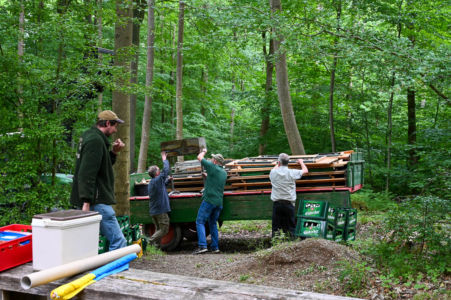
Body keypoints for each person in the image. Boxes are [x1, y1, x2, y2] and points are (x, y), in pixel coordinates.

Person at [70, 110, 127, 251]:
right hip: (96, 201)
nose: (115, 130)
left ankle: (97, 270)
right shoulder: (95, 141)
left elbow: (100, 167)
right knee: (119, 242)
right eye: (115, 126)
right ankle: (113, 273)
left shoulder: (90, 137)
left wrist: (114, 152)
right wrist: (86, 202)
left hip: (92, 200)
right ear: (107, 123)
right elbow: (87, 173)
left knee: (87, 244)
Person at [193, 148, 227, 254]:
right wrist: (207, 176)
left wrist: (203, 151)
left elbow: (199, 157)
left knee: (200, 221)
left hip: (209, 200)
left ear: (216, 161)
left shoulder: (213, 167)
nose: (211, 160)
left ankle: (202, 246)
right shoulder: (223, 172)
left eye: (212, 159)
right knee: (212, 223)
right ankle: (215, 247)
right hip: (219, 202)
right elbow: (215, 180)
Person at [269, 153, 308, 239]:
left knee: (275, 229)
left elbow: (275, 168)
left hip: (277, 205)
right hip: (289, 204)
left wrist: (277, 164)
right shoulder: (292, 172)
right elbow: (305, 171)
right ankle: (292, 245)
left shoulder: (273, 172)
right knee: (291, 227)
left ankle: (275, 245)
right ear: (288, 162)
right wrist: (301, 162)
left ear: (279, 163)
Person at [147, 151, 171, 248]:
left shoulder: (153, 182)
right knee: (164, 229)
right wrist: (164, 158)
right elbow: (166, 170)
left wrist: (167, 181)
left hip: (154, 210)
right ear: (156, 173)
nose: (160, 171)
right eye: (158, 170)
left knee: (158, 230)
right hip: (160, 210)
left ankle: (156, 248)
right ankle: (148, 242)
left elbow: (161, 187)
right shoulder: (157, 180)